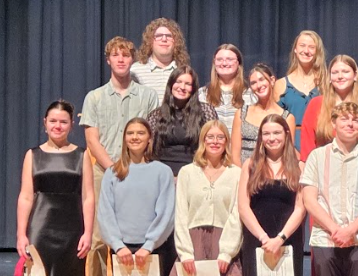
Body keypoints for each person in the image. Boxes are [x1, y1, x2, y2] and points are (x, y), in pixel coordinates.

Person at [81, 36, 159, 276]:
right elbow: (92, 140)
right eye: (116, 55)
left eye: (125, 55)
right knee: (99, 236)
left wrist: (134, 170)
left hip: (138, 172)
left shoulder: (147, 96)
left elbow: (151, 136)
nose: (121, 59)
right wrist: (114, 167)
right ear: (108, 60)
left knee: (135, 234)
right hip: (103, 172)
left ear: (132, 59)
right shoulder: (94, 97)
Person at [301, 102, 358, 276]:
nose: (350, 124)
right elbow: (309, 200)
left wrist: (350, 230)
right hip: (325, 238)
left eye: (356, 120)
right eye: (344, 119)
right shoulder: (317, 156)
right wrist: (334, 229)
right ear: (333, 123)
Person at [16, 100, 94, 275]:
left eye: (63, 122)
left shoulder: (82, 155)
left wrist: (88, 233)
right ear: (45, 122)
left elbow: (88, 196)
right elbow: (26, 197)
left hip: (72, 230)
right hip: (40, 228)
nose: (58, 126)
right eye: (53, 121)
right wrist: (21, 234)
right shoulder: (32, 155)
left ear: (71, 125)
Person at [97, 118, 176, 275]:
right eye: (130, 133)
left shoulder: (163, 172)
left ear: (149, 139)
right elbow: (105, 213)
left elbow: (167, 213)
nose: (135, 137)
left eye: (141, 133)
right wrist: (117, 245)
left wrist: (149, 245)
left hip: (154, 249)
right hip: (121, 250)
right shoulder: (112, 173)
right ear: (124, 138)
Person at [238, 114, 306, 276]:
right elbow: (243, 207)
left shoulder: (299, 167)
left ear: (287, 134)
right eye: (266, 134)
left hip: (288, 239)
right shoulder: (250, 165)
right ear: (261, 137)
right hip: (257, 240)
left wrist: (280, 239)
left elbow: (300, 209)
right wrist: (264, 238)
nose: (272, 138)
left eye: (276, 133)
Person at [173, 120, 242, 276]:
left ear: (227, 141)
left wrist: (226, 252)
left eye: (220, 137)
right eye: (210, 137)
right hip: (193, 243)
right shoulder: (187, 172)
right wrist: (185, 253)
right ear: (203, 140)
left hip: (223, 242)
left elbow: (236, 215)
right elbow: (181, 214)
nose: (215, 141)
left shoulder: (236, 173)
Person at [301, 54, 358, 160]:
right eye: (335, 73)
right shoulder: (316, 104)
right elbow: (307, 145)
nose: (340, 76)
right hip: (324, 166)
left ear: (355, 75)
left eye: (345, 72)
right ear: (330, 77)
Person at [146, 65, 218, 177]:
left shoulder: (205, 111)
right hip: (162, 174)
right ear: (171, 85)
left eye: (188, 84)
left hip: (195, 172)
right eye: (178, 82)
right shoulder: (156, 115)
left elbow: (214, 143)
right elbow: (148, 151)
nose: (182, 87)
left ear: (193, 89)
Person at [231, 63, 294, 165]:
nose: (259, 85)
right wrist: (243, 176)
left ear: (272, 80)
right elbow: (234, 155)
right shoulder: (241, 114)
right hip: (243, 173)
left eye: (262, 80)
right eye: (253, 83)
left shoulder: (287, 118)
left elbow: (288, 154)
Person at [275, 30, 327, 150]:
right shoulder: (281, 84)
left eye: (311, 47)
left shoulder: (326, 83)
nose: (306, 51)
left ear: (317, 52)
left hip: (320, 144)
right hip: (290, 146)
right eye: (302, 46)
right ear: (295, 49)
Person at [131, 18, 190, 103]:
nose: (164, 39)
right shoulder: (135, 70)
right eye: (158, 36)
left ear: (176, 41)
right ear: (150, 41)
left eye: (169, 36)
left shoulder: (184, 71)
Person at [198, 44, 257, 129]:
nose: (224, 63)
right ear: (214, 63)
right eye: (219, 59)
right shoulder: (202, 94)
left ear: (238, 63)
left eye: (229, 59)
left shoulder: (251, 95)